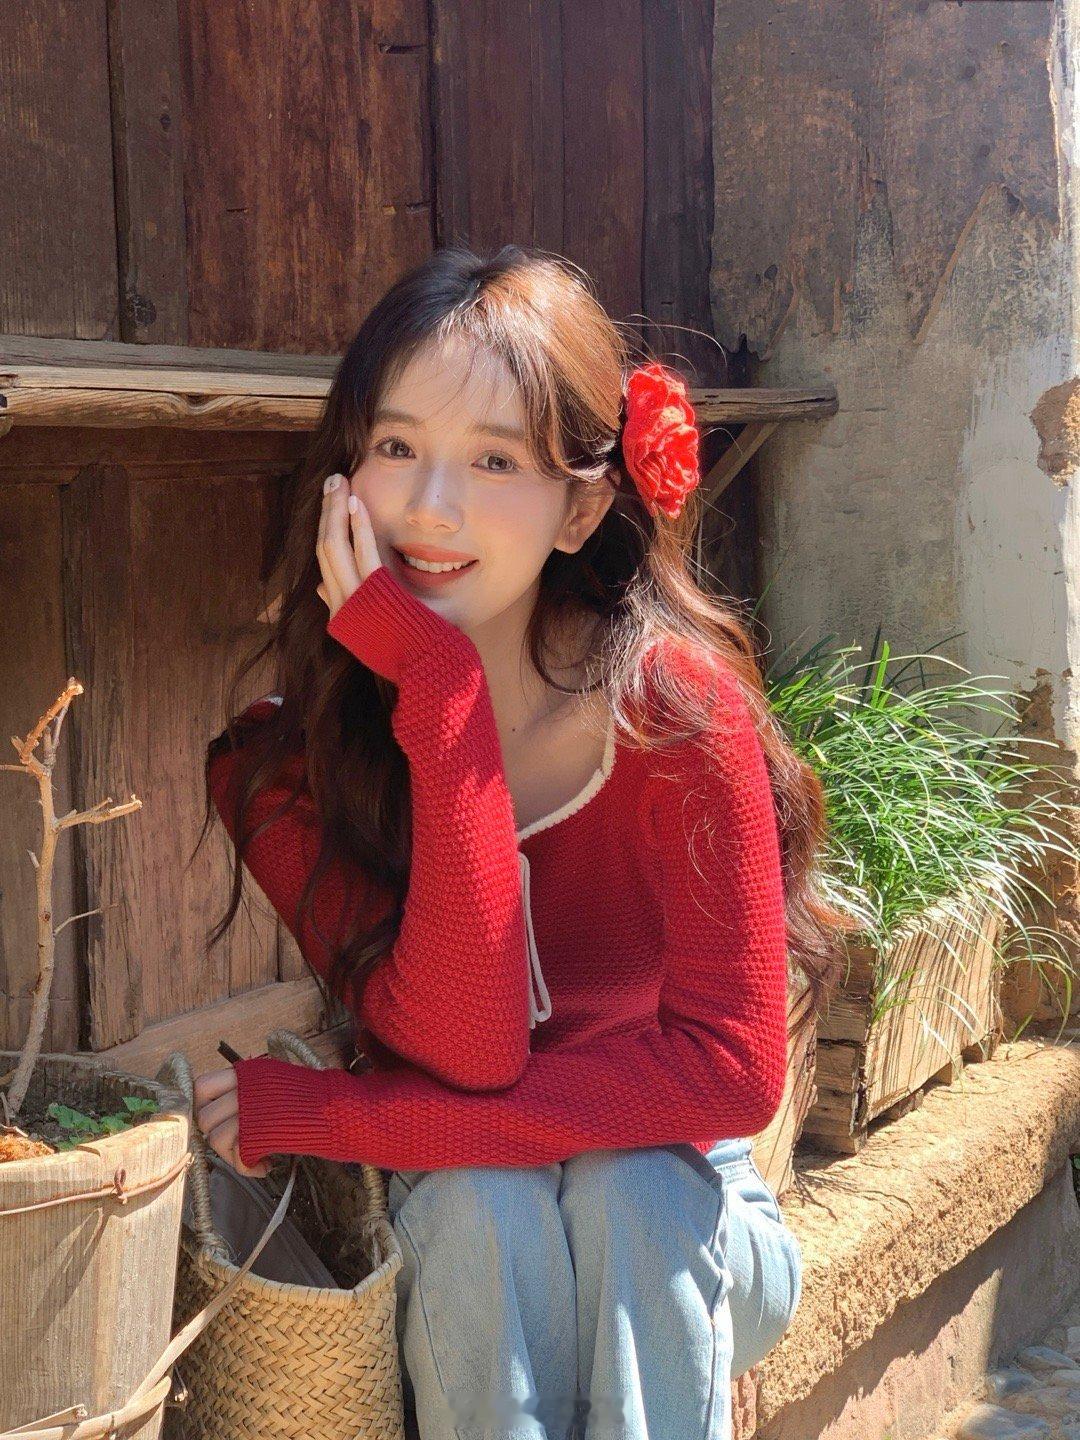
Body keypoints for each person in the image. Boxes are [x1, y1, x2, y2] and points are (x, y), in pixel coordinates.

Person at [190, 244, 849, 1439]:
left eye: (494, 460)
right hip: (469, 1234)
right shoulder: (278, 771)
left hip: (686, 1225)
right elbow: (472, 1049)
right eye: (396, 447)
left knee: (630, 1187)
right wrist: (442, 692)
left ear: (583, 507)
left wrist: (338, 1116)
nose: (429, 508)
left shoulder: (675, 717)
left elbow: (730, 1078)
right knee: (484, 1204)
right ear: (344, 476)